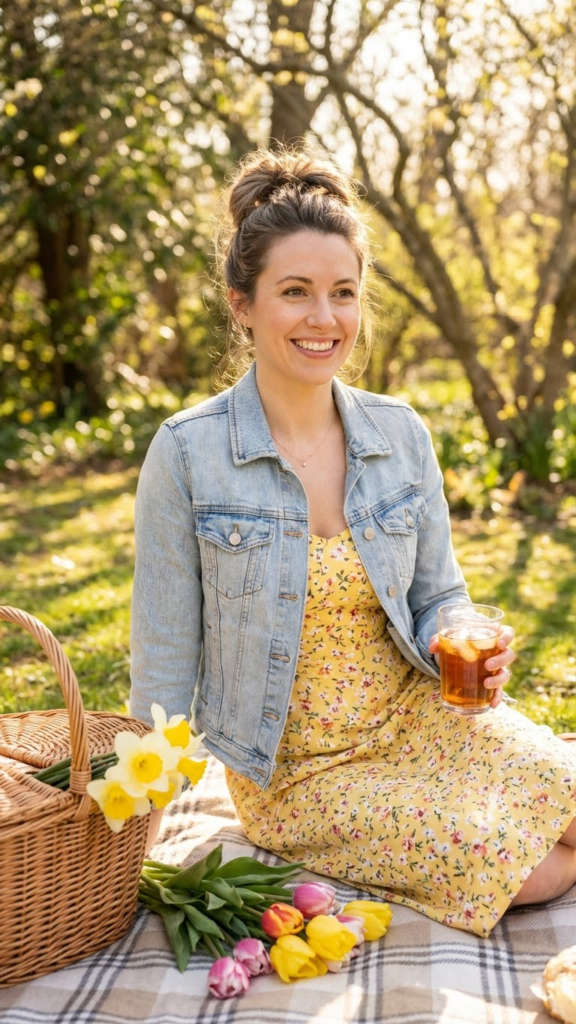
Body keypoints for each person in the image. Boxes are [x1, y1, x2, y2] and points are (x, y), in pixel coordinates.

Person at [129, 146, 576, 938]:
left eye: (343, 293)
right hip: (295, 770)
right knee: (530, 869)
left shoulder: (398, 434)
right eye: (294, 292)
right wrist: (133, 838)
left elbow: (441, 594)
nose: (324, 318)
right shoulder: (188, 453)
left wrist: (458, 636)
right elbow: (163, 662)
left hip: (420, 713)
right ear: (242, 303)